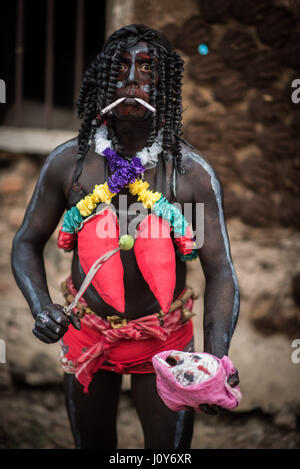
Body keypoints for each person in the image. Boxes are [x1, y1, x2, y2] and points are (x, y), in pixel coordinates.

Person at [11, 24, 240, 449]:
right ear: (103, 83)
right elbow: (26, 242)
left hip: (165, 342)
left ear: (165, 85)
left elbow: (221, 272)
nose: (132, 78)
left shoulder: (191, 175)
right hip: (88, 337)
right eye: (120, 67)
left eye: (147, 68)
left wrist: (214, 356)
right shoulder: (69, 166)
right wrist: (42, 307)